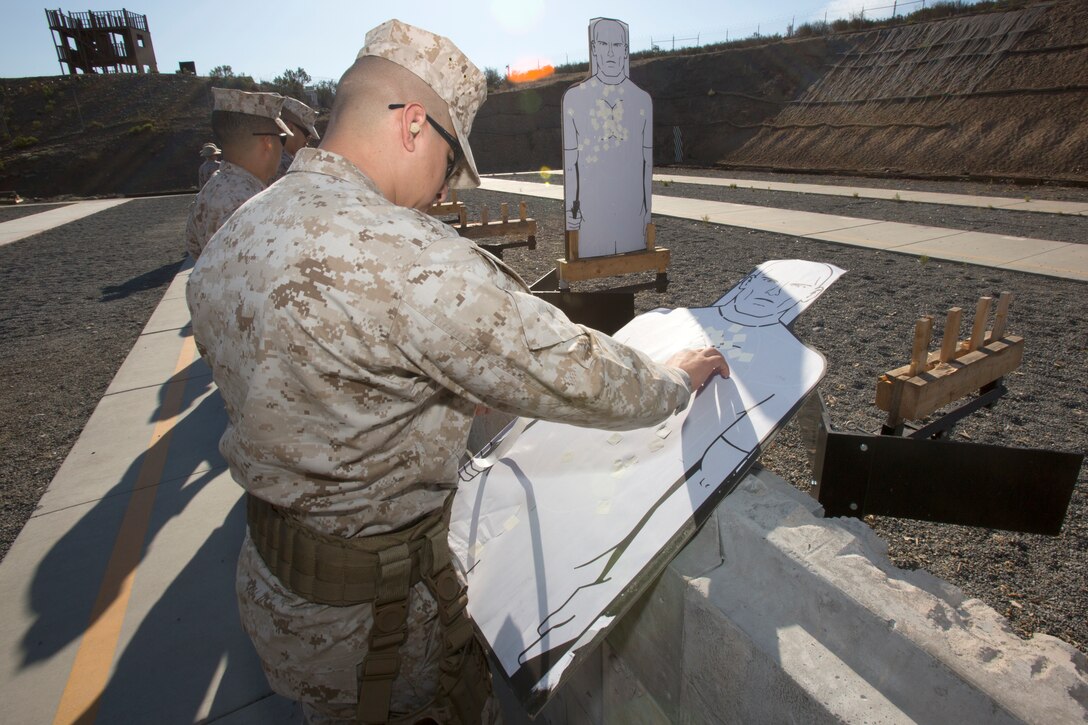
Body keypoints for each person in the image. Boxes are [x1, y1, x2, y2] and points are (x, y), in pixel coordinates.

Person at [186, 18, 726, 724]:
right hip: (380, 624)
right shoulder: (408, 256)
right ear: (414, 125)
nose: (445, 190)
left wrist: (421, 399)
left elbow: (298, 376)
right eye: (449, 164)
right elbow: (568, 368)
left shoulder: (234, 232)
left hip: (281, 596)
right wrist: (673, 379)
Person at [562, 17, 654, 258]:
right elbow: (571, 164)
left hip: (631, 215)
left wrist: (647, 213)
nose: (610, 53)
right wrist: (572, 211)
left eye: (617, 46)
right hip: (591, 213)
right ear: (594, 49)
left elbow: (647, 163)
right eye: (603, 44)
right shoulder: (575, 99)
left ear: (625, 51)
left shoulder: (641, 100)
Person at [184, 88, 292, 260]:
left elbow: (193, 247)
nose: (283, 147)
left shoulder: (211, 189)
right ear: (268, 143)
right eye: (282, 139)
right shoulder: (249, 203)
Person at [272, 96, 320, 181]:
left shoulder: (273, 156)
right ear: (289, 128)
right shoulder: (284, 166)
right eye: (306, 134)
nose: (307, 141)